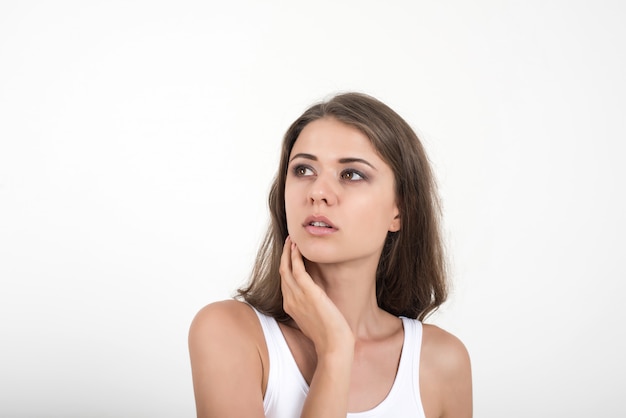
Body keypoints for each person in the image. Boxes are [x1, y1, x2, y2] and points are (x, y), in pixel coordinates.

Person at [188, 92, 472, 417]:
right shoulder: (229, 332)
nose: (317, 192)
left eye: (351, 174)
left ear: (400, 210)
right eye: (304, 170)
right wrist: (335, 352)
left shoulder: (442, 362)